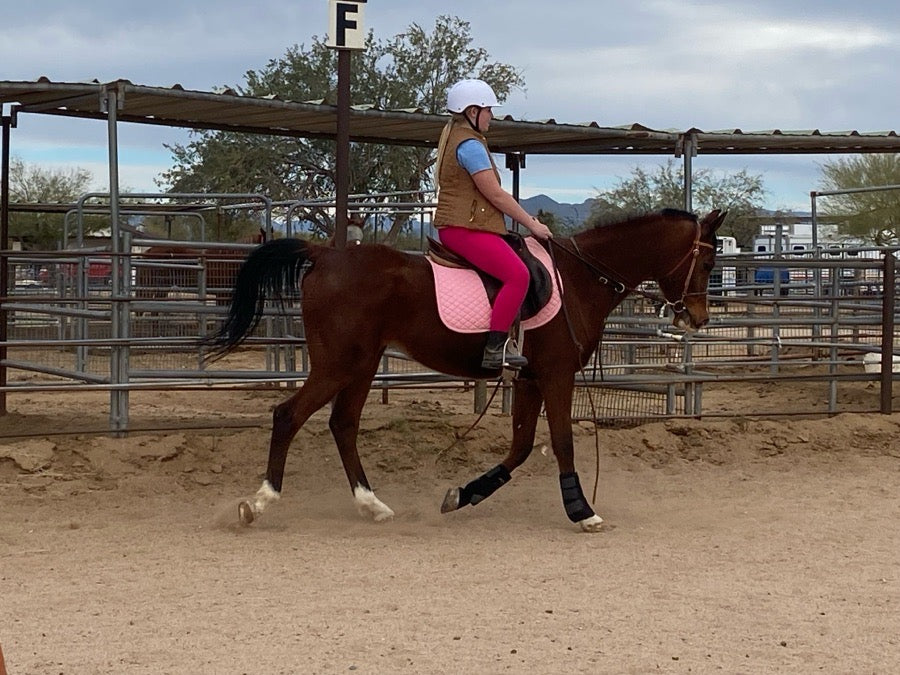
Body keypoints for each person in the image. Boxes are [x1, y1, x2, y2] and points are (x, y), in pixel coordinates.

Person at [434, 79, 553, 370]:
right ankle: (494, 348)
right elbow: (496, 195)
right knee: (518, 275)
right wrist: (531, 224)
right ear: (472, 111)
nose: (491, 116)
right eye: (488, 110)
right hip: (464, 229)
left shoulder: (455, 137)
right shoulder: (471, 146)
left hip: (462, 226)